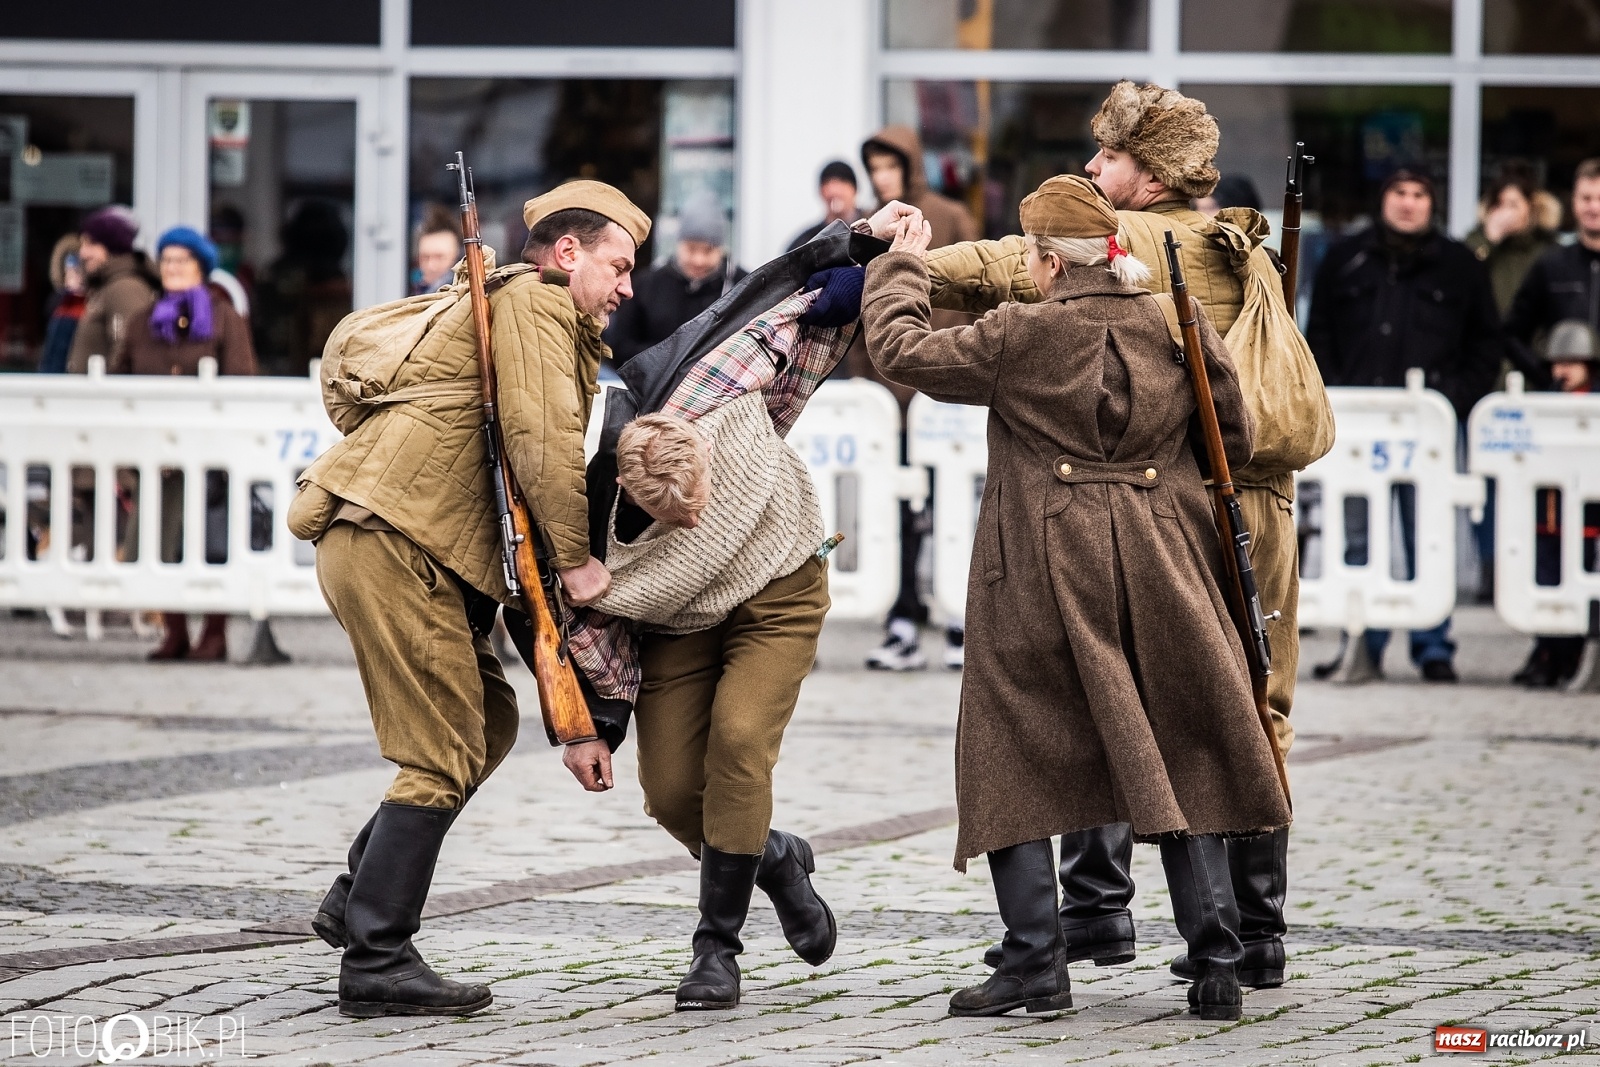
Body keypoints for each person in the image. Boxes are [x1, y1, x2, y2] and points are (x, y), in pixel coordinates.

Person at [871, 81, 1328, 994]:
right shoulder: (1241, 246)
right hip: (1218, 510)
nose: (1094, 166)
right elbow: (1228, 426)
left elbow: (990, 273)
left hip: (1083, 532)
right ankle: (1241, 939)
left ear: (1150, 177)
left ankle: (1082, 921)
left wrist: (897, 255)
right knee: (1224, 714)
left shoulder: (1132, 247)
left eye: (1110, 156)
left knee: (1058, 716)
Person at [286, 180, 646, 1019]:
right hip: (395, 541)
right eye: (618, 265)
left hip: (392, 539)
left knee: (485, 720)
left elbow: (521, 480)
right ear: (568, 254)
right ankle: (376, 957)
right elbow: (541, 443)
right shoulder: (538, 308)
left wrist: (576, 715)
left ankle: (354, 896)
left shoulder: (519, 306)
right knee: (443, 746)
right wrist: (581, 562)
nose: (627, 286)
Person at [562, 268, 863, 1010]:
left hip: (779, 585)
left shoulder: (719, 392)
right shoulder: (591, 540)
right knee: (669, 793)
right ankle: (777, 858)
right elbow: (582, 641)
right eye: (677, 517)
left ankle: (715, 951)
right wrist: (589, 728)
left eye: (700, 502)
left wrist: (862, 260)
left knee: (737, 741)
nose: (697, 522)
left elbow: (784, 309)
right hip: (679, 624)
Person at [1307, 168, 1505, 683]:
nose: (1409, 203)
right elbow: (1317, 332)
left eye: (1419, 194)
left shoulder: (1460, 264)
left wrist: (1455, 401)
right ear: (1383, 199)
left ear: (1432, 204)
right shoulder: (1345, 259)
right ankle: (1359, 640)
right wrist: (1334, 392)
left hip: (1429, 429)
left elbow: (1487, 343)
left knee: (1430, 536)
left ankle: (1433, 648)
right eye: (1399, 192)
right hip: (1357, 423)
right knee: (1358, 537)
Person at [857, 125, 980, 672]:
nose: (882, 177)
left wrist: (964, 372)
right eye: (875, 168)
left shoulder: (950, 217)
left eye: (890, 166)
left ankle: (959, 619)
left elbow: (978, 295)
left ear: (909, 165)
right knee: (899, 512)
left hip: (946, 392)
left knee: (957, 508)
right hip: (890, 401)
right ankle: (903, 618)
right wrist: (869, 380)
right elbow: (859, 311)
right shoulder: (873, 225)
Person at [112, 226, 258, 662]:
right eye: (167, 260)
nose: (172, 268)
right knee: (165, 542)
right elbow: (120, 378)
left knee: (212, 541)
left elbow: (241, 378)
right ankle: (173, 630)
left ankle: (214, 633)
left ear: (201, 267)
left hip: (211, 453)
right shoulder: (144, 321)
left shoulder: (223, 316)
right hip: (157, 452)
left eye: (182, 261)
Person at [602, 190, 747, 368]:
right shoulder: (647, 284)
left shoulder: (742, 285)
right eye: (691, 249)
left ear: (722, 248)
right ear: (678, 243)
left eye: (708, 250)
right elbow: (620, 345)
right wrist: (670, 359)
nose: (698, 260)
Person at [66, 206, 159, 374]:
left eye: (91, 244)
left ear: (113, 247)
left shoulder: (125, 289)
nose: (83, 253)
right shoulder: (107, 287)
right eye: (82, 244)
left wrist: (108, 395)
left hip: (105, 398)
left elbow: (126, 351)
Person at [786, 160, 863, 252]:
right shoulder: (804, 244)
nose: (834, 191)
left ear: (855, 189)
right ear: (820, 192)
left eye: (842, 182)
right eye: (827, 184)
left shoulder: (873, 230)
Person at [38, 235, 86, 373]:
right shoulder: (58, 304)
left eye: (76, 272)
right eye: (68, 273)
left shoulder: (92, 305)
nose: (72, 279)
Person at [412, 206, 463, 295]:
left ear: (457, 257)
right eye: (425, 257)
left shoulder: (466, 297)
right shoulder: (417, 293)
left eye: (440, 257)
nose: (431, 266)